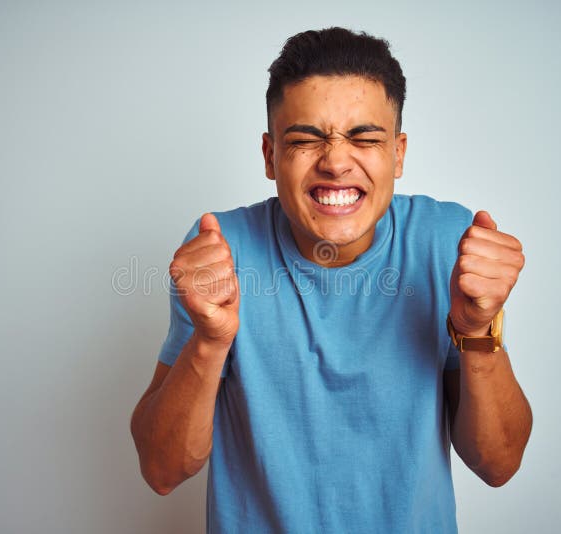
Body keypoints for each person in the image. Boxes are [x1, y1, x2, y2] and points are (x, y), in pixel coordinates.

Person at [131, 27, 532, 533]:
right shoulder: (220, 251)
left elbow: (498, 464)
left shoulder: (449, 244)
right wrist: (211, 342)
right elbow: (162, 469)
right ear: (270, 155)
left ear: (399, 154)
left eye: (364, 138)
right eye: (305, 139)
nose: (337, 162)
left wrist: (476, 330)